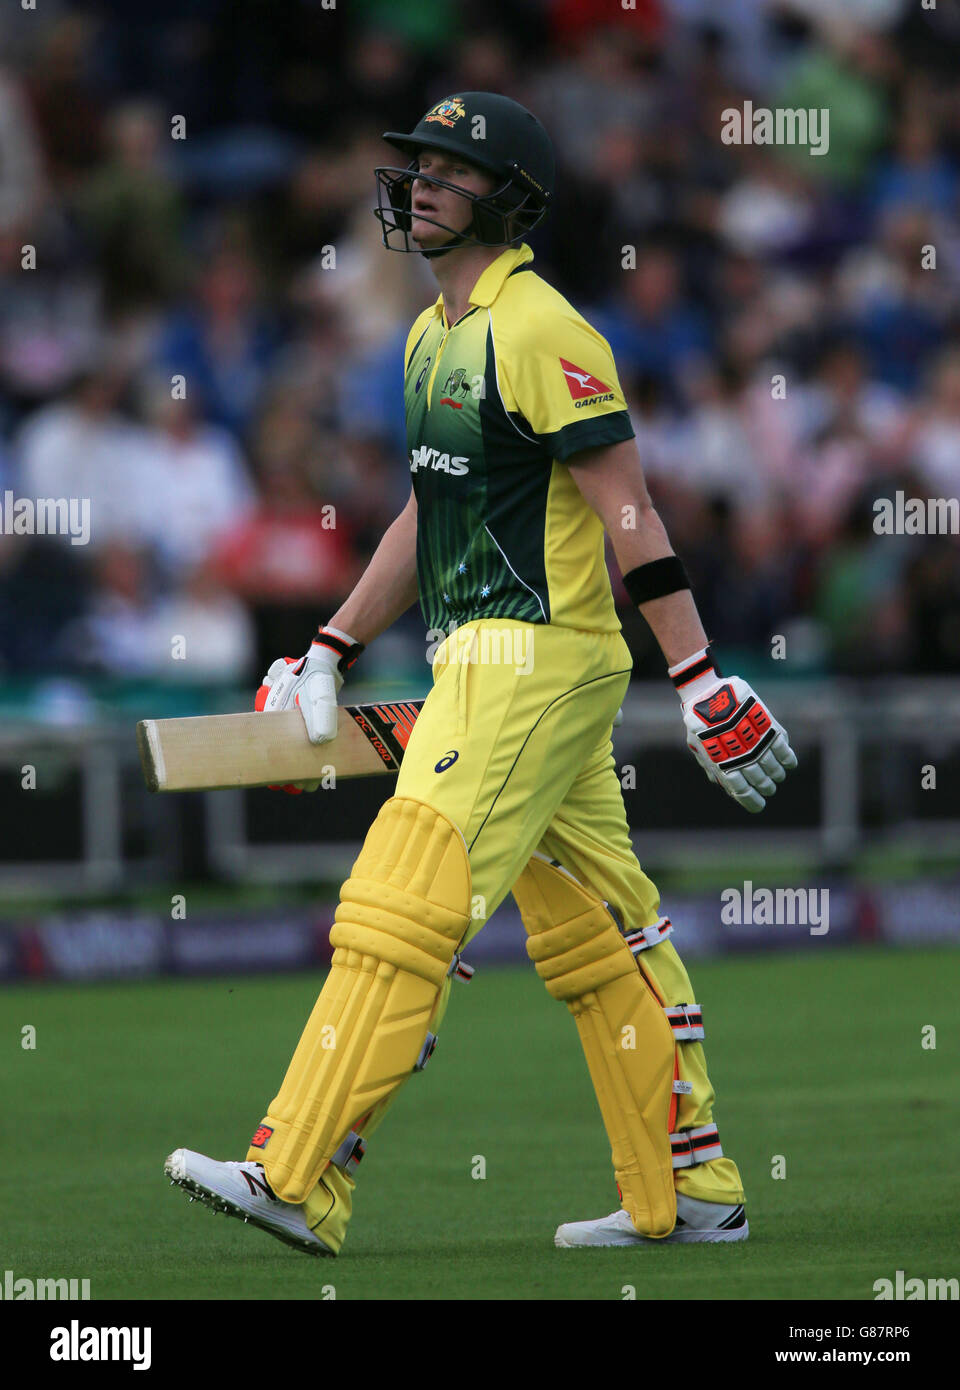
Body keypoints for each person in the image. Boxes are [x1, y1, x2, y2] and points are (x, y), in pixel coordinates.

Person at [165, 92, 796, 1255]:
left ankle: (296, 1173)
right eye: (416, 168)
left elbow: (630, 509)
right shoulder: (427, 339)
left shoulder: (544, 328)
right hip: (480, 661)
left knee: (404, 900)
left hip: (533, 660)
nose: (421, 187)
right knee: (607, 937)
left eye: (451, 172)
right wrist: (331, 644)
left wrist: (700, 673)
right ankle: (690, 1190)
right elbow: (431, 508)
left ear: (507, 198)